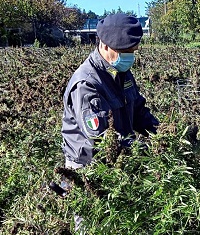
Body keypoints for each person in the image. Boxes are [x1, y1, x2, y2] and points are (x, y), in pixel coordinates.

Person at [61, 12, 159, 169]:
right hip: (90, 168)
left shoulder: (121, 72)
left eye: (132, 51)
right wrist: (140, 148)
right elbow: (102, 139)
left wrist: (162, 134)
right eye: (125, 52)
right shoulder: (86, 84)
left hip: (119, 158)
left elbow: (139, 112)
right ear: (105, 45)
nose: (130, 57)